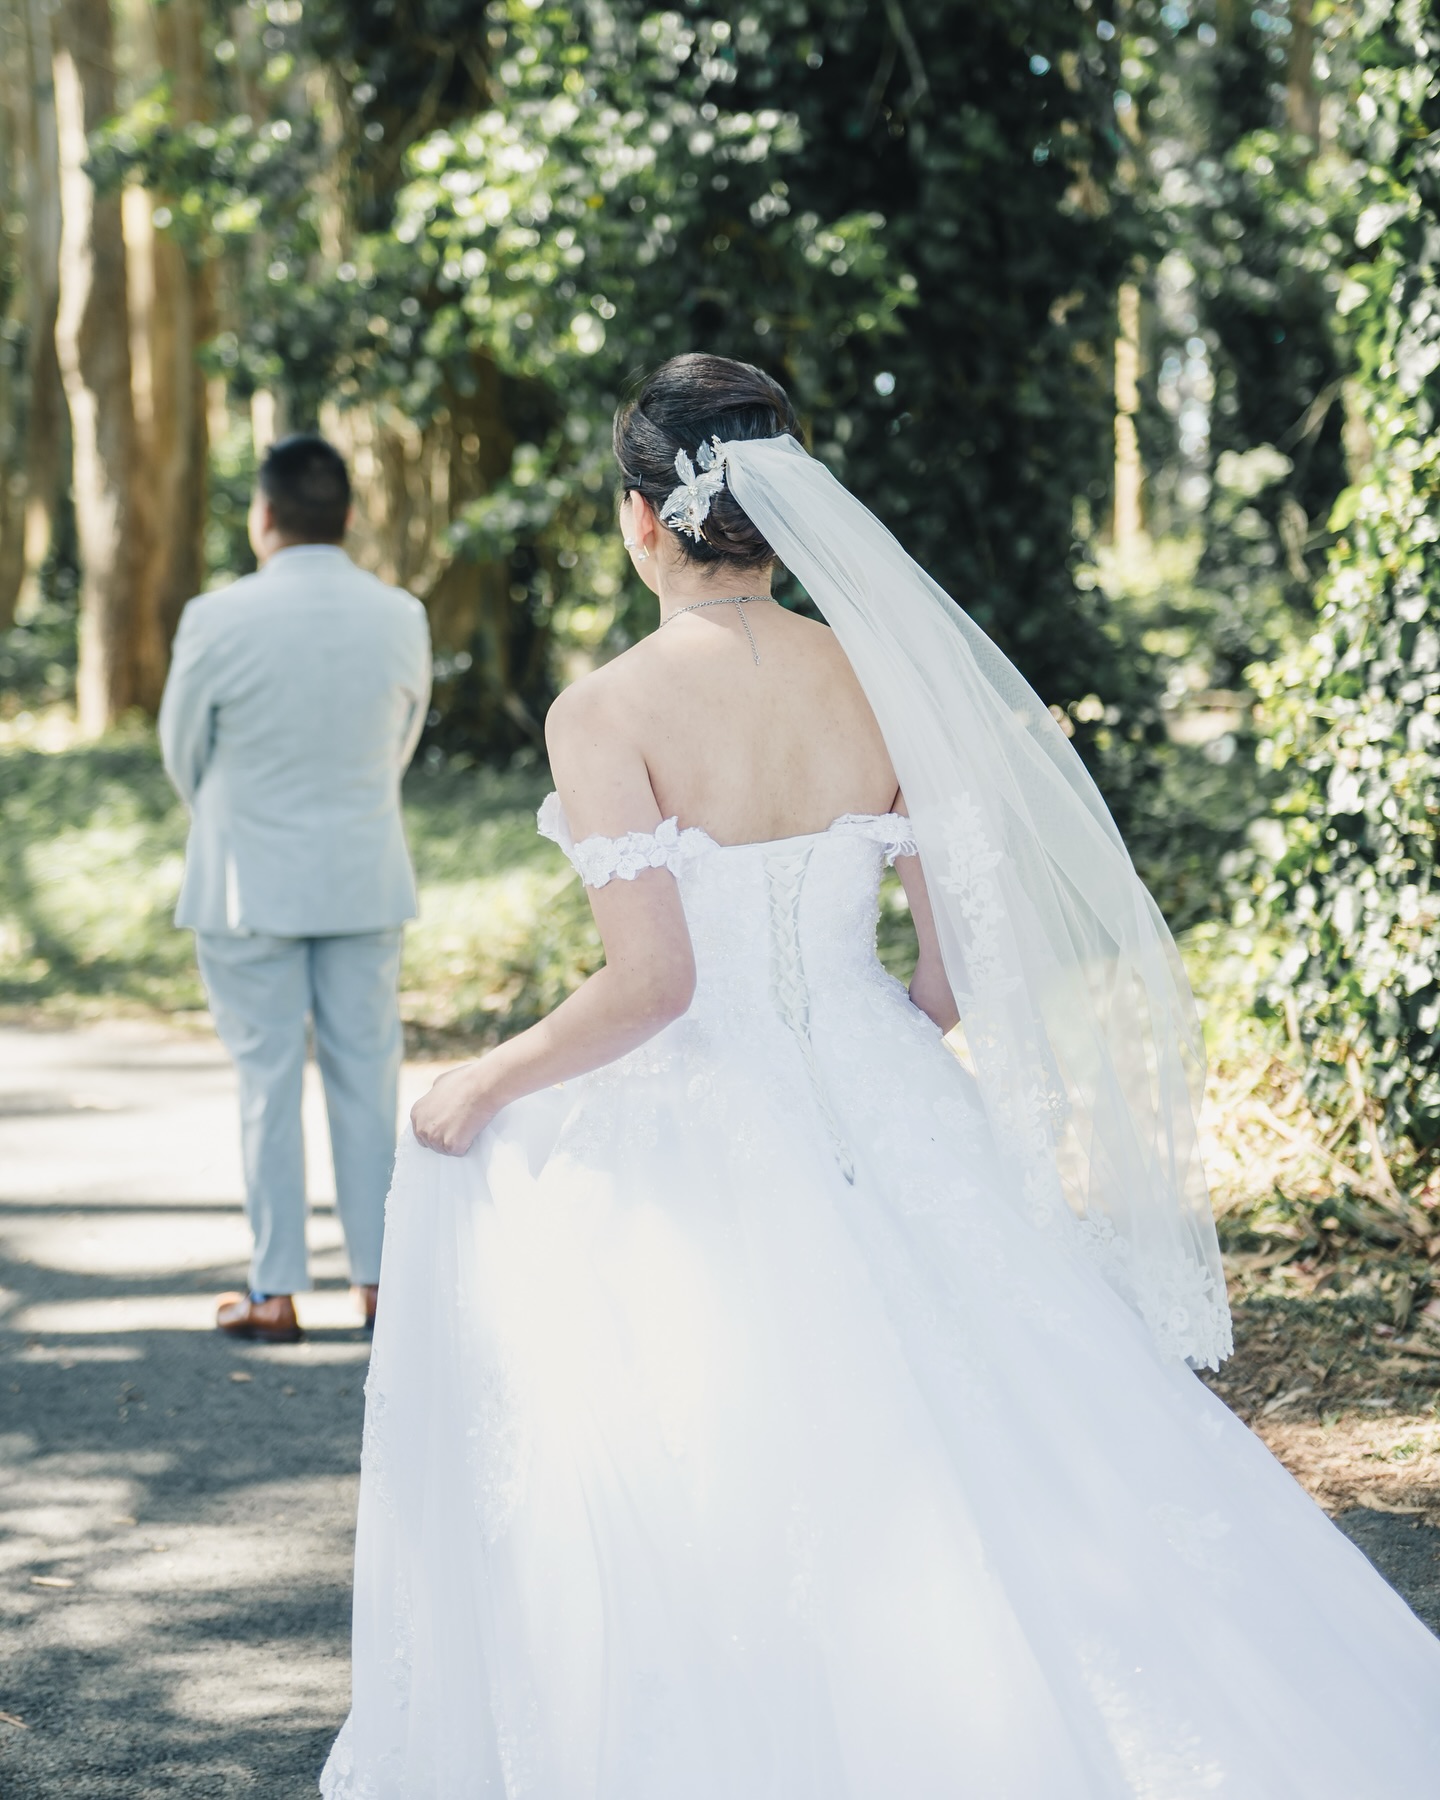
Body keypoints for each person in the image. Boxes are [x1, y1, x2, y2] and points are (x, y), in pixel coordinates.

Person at [323, 357, 1440, 1799]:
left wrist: (481, 1082)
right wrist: (880, 1041)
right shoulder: (883, 675)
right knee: (1027, 1427)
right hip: (888, 1090)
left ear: (640, 521)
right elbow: (953, 974)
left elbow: (653, 989)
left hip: (710, 1113)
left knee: (705, 1451)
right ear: (786, 515)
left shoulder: (608, 712)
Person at [159, 434, 431, 1345]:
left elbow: (182, 750)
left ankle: (274, 1291)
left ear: (263, 515)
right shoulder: (400, 614)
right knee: (368, 1077)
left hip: (245, 882)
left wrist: (236, 814)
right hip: (362, 871)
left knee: (264, 1082)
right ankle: (383, 1285)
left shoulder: (214, 616)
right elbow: (403, 736)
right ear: (347, 516)